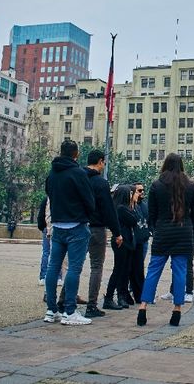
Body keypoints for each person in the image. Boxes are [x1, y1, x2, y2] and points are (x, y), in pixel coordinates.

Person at [136, 153, 194, 327]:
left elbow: (152, 213)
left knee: (153, 270)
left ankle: (143, 306)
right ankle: (177, 309)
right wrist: (190, 228)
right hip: (183, 231)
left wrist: (156, 228)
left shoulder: (157, 185)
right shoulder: (191, 186)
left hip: (163, 231)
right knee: (180, 271)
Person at [42, 140, 96, 326]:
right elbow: (89, 199)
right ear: (76, 154)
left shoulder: (52, 173)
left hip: (57, 226)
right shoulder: (78, 173)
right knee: (74, 268)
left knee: (53, 267)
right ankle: (70, 311)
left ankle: (51, 310)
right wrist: (87, 215)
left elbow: (48, 192)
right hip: (76, 226)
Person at [84, 149, 122, 318]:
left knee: (75, 266)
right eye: (104, 162)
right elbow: (108, 209)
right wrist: (117, 232)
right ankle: (92, 305)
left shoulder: (79, 178)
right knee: (96, 266)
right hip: (97, 228)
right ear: (100, 161)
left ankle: (64, 299)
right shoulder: (100, 183)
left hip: (79, 225)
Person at [103, 185, 137, 310]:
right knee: (118, 270)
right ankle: (110, 297)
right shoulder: (121, 208)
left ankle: (120, 296)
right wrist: (132, 205)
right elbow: (134, 220)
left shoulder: (119, 207)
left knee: (124, 270)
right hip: (122, 242)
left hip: (126, 242)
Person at [127, 183, 148, 303]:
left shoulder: (142, 206)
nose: (141, 193)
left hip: (141, 241)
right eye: (139, 191)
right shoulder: (128, 207)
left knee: (139, 268)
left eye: (142, 190)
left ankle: (139, 293)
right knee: (130, 268)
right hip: (132, 242)